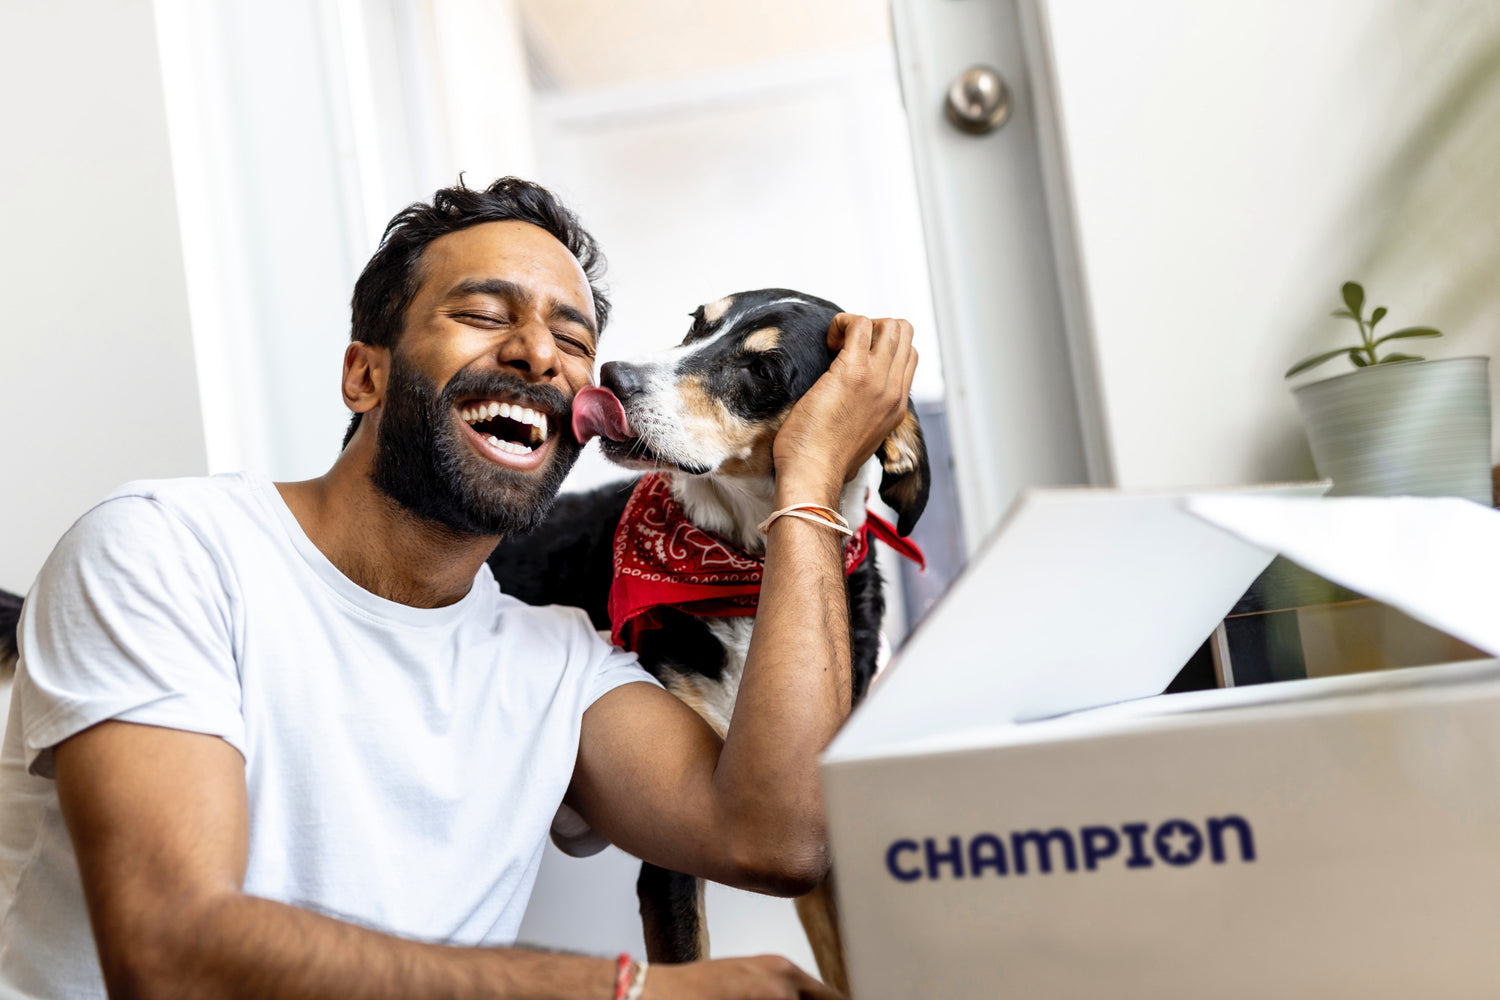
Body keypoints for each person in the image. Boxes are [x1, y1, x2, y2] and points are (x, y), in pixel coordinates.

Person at [0, 176, 918, 998]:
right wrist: (626, 992)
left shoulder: (556, 663)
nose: (539, 356)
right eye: (485, 315)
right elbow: (171, 955)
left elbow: (779, 840)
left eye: (572, 337)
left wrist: (809, 481)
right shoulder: (167, 551)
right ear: (365, 372)